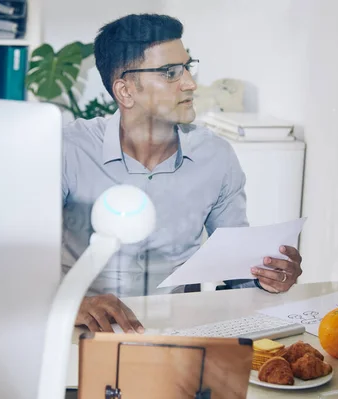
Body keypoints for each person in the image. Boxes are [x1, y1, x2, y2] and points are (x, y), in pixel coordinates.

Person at [62, 14, 303, 333]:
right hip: (82, 334)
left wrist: (270, 277)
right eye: (170, 72)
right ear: (125, 91)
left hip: (174, 334)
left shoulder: (215, 156)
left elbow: (239, 272)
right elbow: (11, 263)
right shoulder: (67, 150)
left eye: (188, 67)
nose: (190, 83)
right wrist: (71, 304)